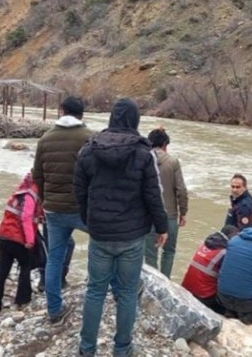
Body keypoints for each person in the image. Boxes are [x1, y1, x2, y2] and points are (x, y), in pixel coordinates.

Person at [74, 98, 168, 357]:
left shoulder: (89, 149)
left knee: (95, 290)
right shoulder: (143, 152)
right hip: (131, 236)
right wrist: (162, 227)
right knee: (127, 293)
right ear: (135, 120)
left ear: (112, 118)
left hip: (100, 233)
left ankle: (86, 349)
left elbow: (79, 192)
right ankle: (122, 349)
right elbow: (153, 195)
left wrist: (88, 220)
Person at [32, 96, 93, 322]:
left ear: (61, 111)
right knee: (99, 250)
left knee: (54, 259)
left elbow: (37, 174)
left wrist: (45, 200)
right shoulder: (90, 138)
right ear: (81, 114)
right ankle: (98, 298)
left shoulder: (45, 139)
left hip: (53, 210)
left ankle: (54, 309)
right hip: (83, 209)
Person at [0, 172, 45, 313]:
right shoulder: (31, 195)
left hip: (3, 236)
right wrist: (30, 241)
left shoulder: (19, 192)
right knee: (25, 266)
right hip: (17, 239)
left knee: (2, 272)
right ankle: (22, 300)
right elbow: (26, 218)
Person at [144, 127, 189, 278]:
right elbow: (181, 190)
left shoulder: (143, 159)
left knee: (150, 254)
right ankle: (166, 282)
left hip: (148, 216)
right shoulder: (173, 162)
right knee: (169, 252)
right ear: (165, 145)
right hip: (169, 216)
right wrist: (183, 213)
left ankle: (153, 285)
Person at [217, 224, 252, 324]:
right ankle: (248, 317)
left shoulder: (233, 240)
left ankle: (230, 311)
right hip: (246, 302)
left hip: (223, 296)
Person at [181, 225, 239, 314]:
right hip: (204, 295)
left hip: (186, 288)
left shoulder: (206, 243)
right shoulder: (224, 253)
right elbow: (230, 279)